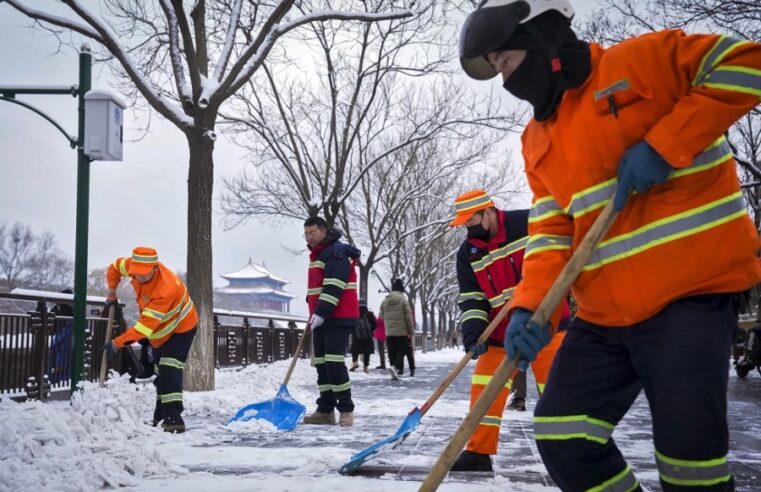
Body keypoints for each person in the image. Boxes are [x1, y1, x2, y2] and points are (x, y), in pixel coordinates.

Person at [460, 1, 761, 490]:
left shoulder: (643, 60)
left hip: (691, 294)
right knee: (562, 432)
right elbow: (552, 232)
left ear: (540, 36)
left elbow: (749, 62)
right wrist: (528, 307)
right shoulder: (537, 138)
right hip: (604, 317)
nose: (505, 77)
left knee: (689, 461)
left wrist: (668, 142)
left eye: (505, 60)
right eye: (495, 69)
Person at [448, 189, 568, 472]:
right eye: (464, 223)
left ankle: (570, 453)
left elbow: (553, 262)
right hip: (499, 332)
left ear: (489, 212)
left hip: (545, 325)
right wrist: (474, 332)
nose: (469, 228)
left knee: (559, 391)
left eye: (472, 220)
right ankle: (478, 453)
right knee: (484, 391)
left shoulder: (527, 223)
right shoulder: (468, 253)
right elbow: (472, 297)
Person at [102, 247, 198, 433]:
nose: (140, 278)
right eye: (137, 274)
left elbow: (145, 327)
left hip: (182, 326)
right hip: (160, 331)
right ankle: (160, 418)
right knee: (160, 372)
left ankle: (173, 420)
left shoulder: (166, 288)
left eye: (145, 275)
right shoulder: (130, 266)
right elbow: (113, 267)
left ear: (155, 267)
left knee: (170, 367)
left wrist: (118, 342)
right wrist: (112, 292)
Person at [303, 217, 361, 427]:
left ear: (324, 231)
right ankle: (325, 409)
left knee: (334, 361)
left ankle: (346, 409)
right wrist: (314, 311)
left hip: (339, 316)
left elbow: (334, 286)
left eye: (313, 233)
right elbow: (317, 288)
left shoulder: (336, 253)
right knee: (322, 363)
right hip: (322, 317)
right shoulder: (319, 254)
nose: (309, 237)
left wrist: (321, 312)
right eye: (306, 233)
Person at [380, 278, 415, 380]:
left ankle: (393, 369)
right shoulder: (403, 300)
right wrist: (410, 331)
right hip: (401, 331)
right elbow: (409, 317)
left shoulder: (385, 301)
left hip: (389, 331)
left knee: (392, 350)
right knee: (402, 349)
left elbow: (381, 315)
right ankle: (394, 367)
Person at [350, 300, 376, 373]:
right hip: (368, 336)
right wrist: (370, 330)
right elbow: (375, 325)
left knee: (355, 350)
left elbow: (351, 324)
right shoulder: (370, 314)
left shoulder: (355, 313)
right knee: (366, 352)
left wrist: (354, 332)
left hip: (356, 336)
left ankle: (355, 362)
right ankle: (365, 367)